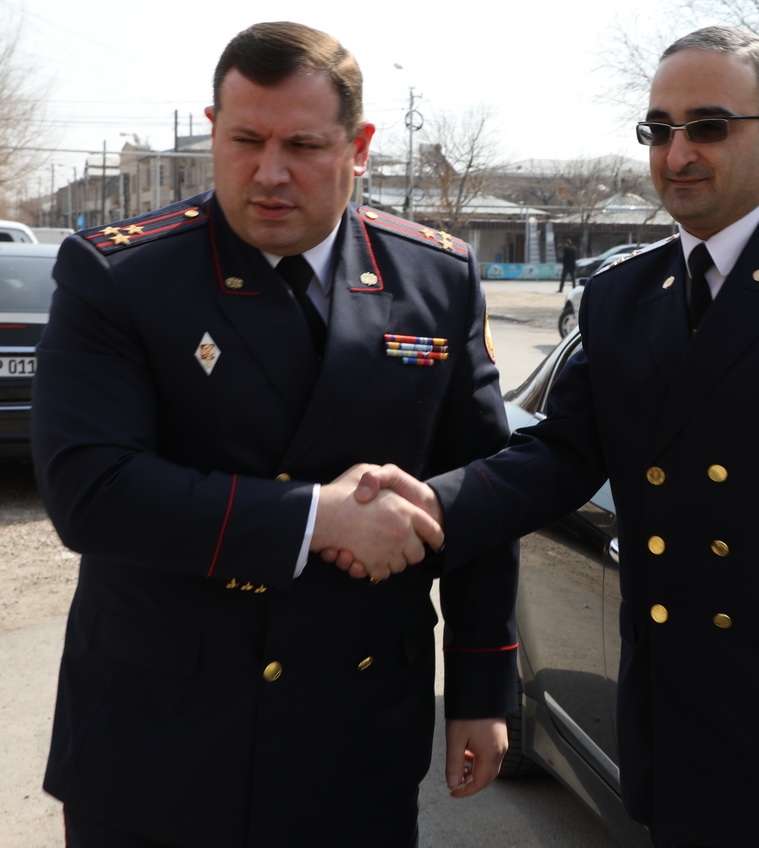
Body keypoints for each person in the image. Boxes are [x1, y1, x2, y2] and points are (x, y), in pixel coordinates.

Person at [341, 25, 759, 848]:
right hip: (671, 712)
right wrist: (432, 504)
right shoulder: (623, 292)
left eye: (708, 127)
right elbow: (562, 452)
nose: (677, 154)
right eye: (659, 130)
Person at [31, 21, 518, 848]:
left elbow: (478, 494)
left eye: (302, 145)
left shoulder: (435, 276)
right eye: (245, 140)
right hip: (158, 737)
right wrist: (317, 519)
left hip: (353, 736)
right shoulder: (120, 274)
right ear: (213, 129)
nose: (268, 172)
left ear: (358, 147)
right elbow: (92, 492)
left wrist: (480, 687)